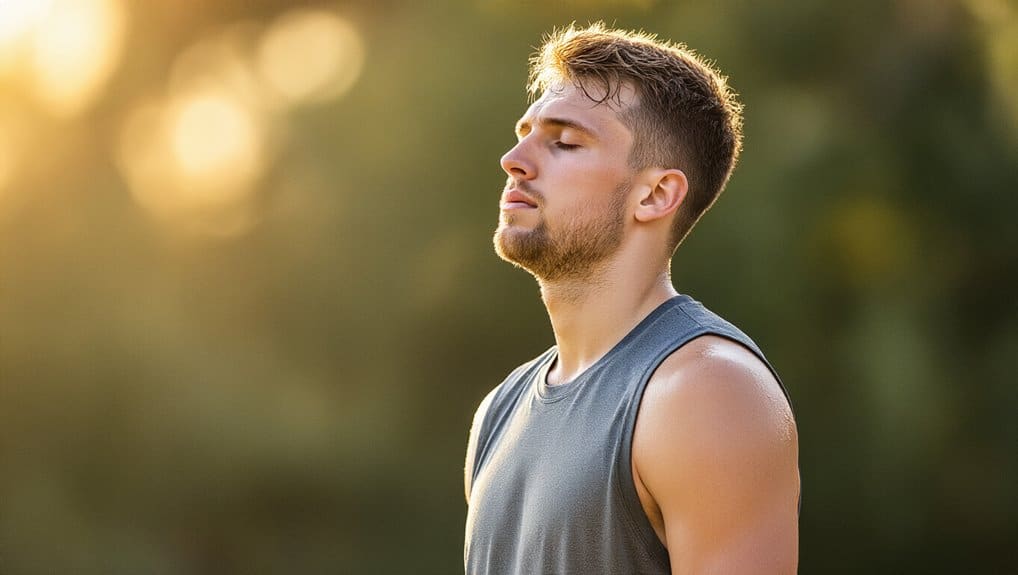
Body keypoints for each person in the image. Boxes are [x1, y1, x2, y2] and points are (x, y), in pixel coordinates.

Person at [463, 23, 800, 575]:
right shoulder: (500, 409)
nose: (514, 159)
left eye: (564, 142)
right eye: (523, 133)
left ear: (655, 195)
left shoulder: (709, 392)